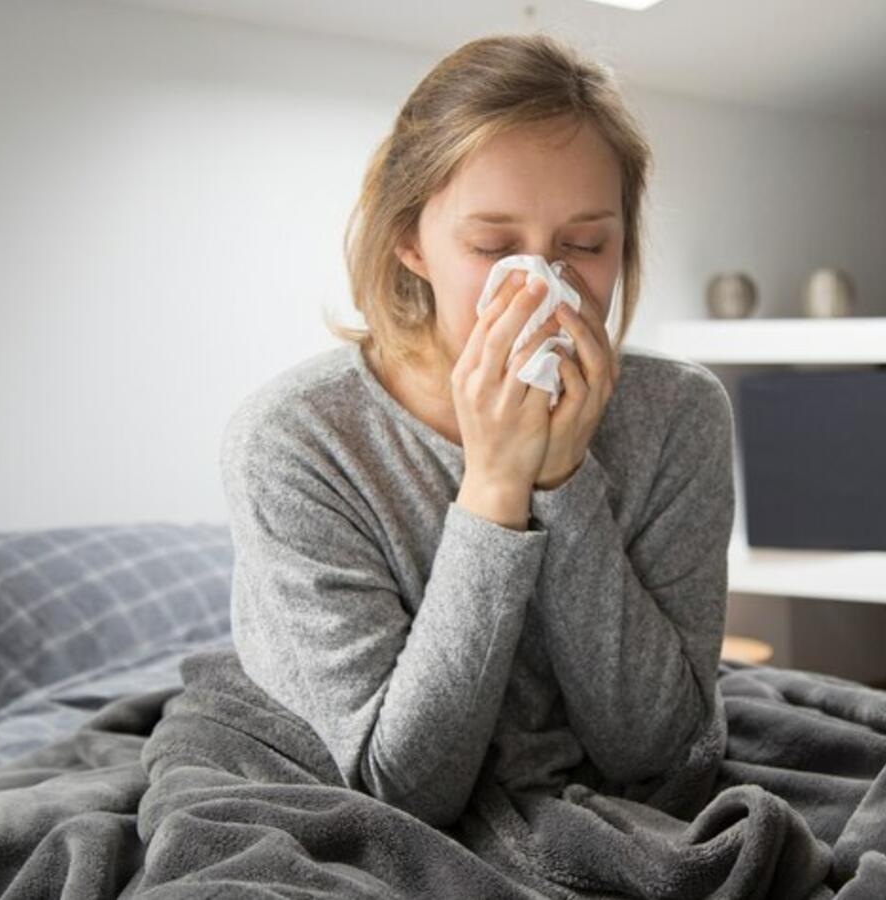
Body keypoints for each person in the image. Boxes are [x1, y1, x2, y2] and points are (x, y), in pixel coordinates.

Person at [219, 31, 736, 830]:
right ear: (407, 239)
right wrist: (496, 486)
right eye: (493, 245)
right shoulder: (296, 441)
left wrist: (565, 484)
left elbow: (660, 753)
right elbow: (405, 788)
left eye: (586, 244)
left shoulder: (679, 413)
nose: (545, 283)